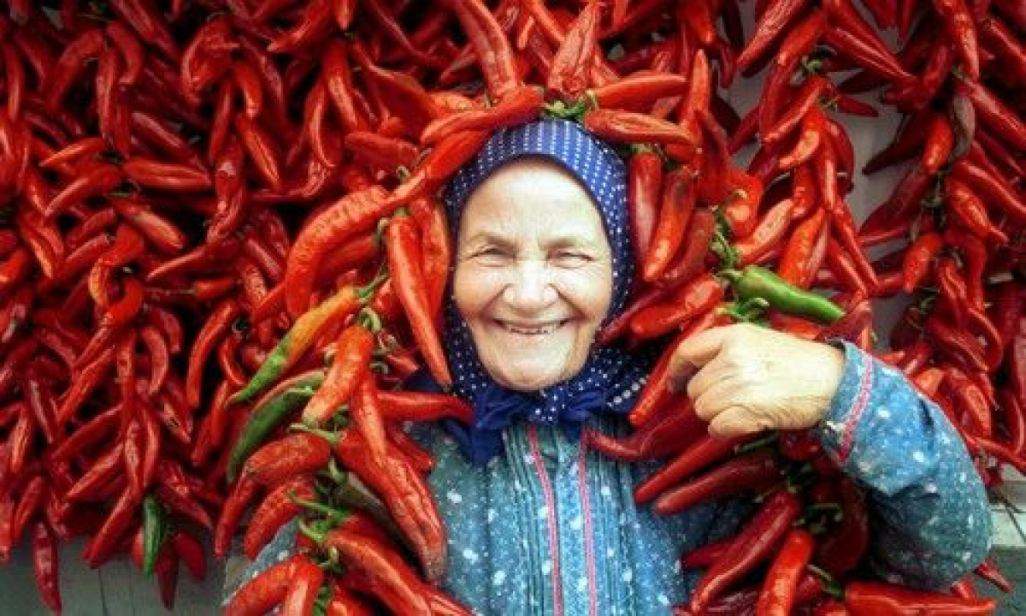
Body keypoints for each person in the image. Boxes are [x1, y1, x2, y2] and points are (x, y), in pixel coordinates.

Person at [228, 119, 991, 614]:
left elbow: (945, 553)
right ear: (443, 269)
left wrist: (840, 388)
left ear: (623, 273)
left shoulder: (713, 423)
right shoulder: (378, 449)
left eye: (570, 256)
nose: (529, 293)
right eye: (491, 252)